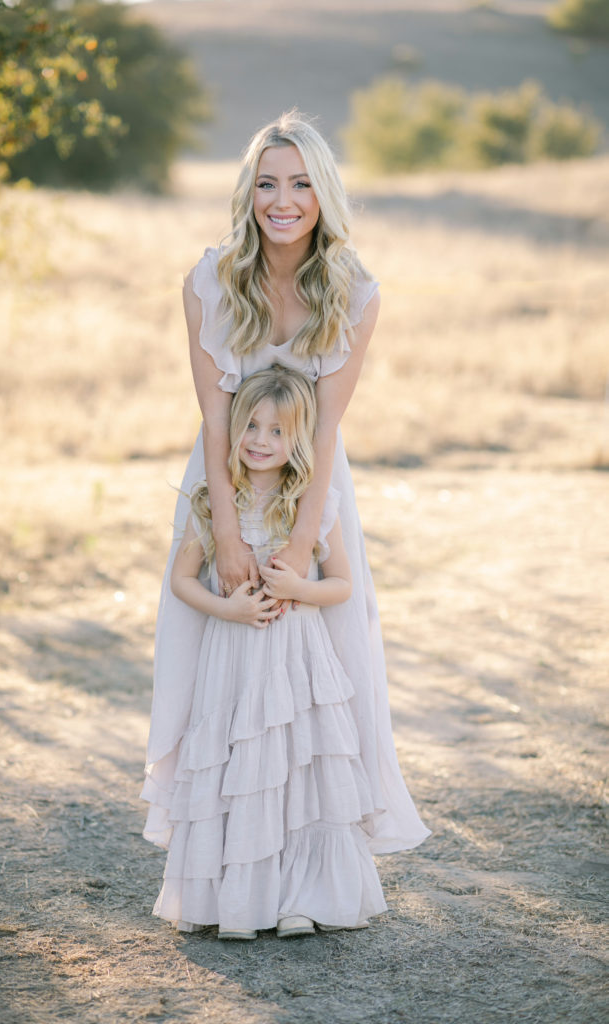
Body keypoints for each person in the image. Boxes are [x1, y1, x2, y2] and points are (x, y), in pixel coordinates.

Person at [141, 110, 429, 927]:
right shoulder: (209, 280)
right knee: (215, 676)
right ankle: (223, 878)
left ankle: (309, 882)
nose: (282, 198)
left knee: (318, 683)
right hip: (222, 489)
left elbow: (327, 429)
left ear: (323, 195)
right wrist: (226, 534)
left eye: (301, 183)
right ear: (247, 192)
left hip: (314, 490)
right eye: (267, 182)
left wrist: (302, 549)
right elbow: (213, 416)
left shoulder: (354, 291)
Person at [156, 365, 387, 937]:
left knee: (296, 772)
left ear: (300, 440)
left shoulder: (311, 503)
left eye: (278, 431)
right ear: (233, 429)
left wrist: (298, 589)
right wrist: (227, 608)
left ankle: (303, 898)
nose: (261, 440)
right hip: (232, 656)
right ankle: (235, 901)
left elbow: (342, 585)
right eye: (251, 426)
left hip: (296, 661)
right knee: (240, 772)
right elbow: (181, 581)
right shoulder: (216, 500)